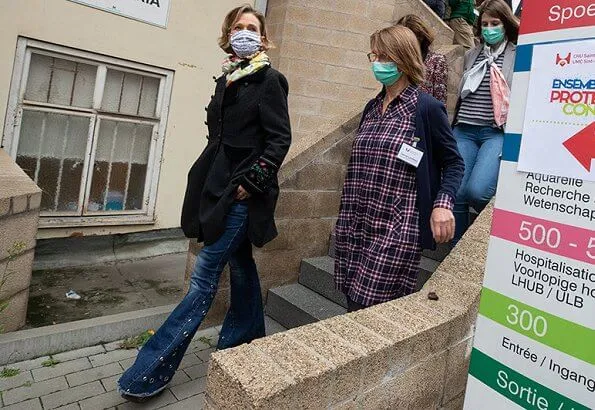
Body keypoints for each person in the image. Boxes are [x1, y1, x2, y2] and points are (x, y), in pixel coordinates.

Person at [117, 4, 291, 402]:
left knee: (204, 276)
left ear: (263, 38)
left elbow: (279, 139)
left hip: (240, 191)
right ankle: (246, 342)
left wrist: (251, 182)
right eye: (238, 27)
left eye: (252, 27)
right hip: (215, 184)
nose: (244, 32)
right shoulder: (227, 78)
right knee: (240, 263)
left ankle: (149, 372)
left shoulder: (270, 80)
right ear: (228, 34)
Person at [334, 25, 464, 312]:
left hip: (396, 228)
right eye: (374, 56)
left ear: (403, 59)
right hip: (355, 224)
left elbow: (454, 162)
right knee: (351, 305)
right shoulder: (371, 108)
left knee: (365, 305)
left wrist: (443, 205)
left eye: (384, 56)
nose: (378, 63)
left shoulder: (426, 108)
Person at [451, 0, 518, 244]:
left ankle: (483, 242)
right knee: (456, 193)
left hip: (495, 133)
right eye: (485, 23)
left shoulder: (517, 54)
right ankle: (456, 251)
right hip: (464, 130)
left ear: (506, 24)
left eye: (495, 23)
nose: (489, 28)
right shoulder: (471, 54)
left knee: (477, 192)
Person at [397, 14, 448, 105]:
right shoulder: (397, 60)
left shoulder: (436, 60)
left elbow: (440, 99)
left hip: (422, 114)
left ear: (421, 37)